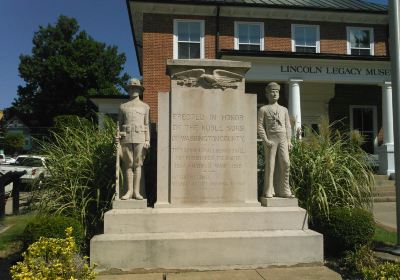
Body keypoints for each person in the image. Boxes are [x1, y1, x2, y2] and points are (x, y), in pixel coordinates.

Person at [257, 82, 294, 198]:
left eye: (277, 91)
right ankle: (269, 190)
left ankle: (285, 190)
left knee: (286, 163)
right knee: (270, 165)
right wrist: (265, 140)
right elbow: (259, 126)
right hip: (271, 139)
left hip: (283, 138)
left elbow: (288, 126)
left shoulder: (284, 109)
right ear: (267, 94)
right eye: (272, 92)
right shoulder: (263, 109)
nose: (274, 94)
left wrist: (289, 140)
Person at [117, 78, 150, 200]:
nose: (133, 90)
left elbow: (147, 125)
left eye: (136, 88)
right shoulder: (123, 107)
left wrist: (147, 140)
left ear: (140, 90)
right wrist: (117, 136)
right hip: (126, 137)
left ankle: (136, 192)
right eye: (131, 88)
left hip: (140, 137)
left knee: (138, 164)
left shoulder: (145, 107)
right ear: (128, 90)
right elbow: (119, 124)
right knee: (128, 164)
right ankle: (129, 191)